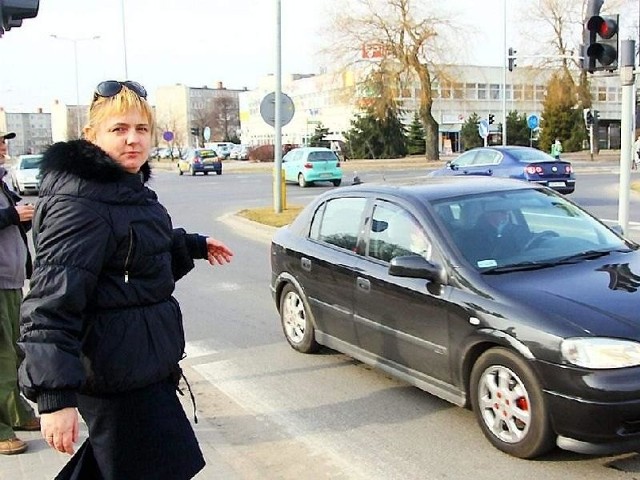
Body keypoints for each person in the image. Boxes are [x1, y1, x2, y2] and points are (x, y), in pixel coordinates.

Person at [17, 81, 234, 479]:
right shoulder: (81, 204)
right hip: (114, 376)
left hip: (141, 367)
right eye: (118, 129)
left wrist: (192, 245)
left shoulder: (124, 191)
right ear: (92, 136)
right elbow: (50, 303)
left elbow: (134, 254)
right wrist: (54, 398)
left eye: (141, 129)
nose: (132, 140)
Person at [0, 131, 39, 455]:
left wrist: (21, 219)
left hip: (10, 282)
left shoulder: (3, 182)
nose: (3, 145)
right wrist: (11, 216)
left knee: (13, 354)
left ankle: (17, 413)